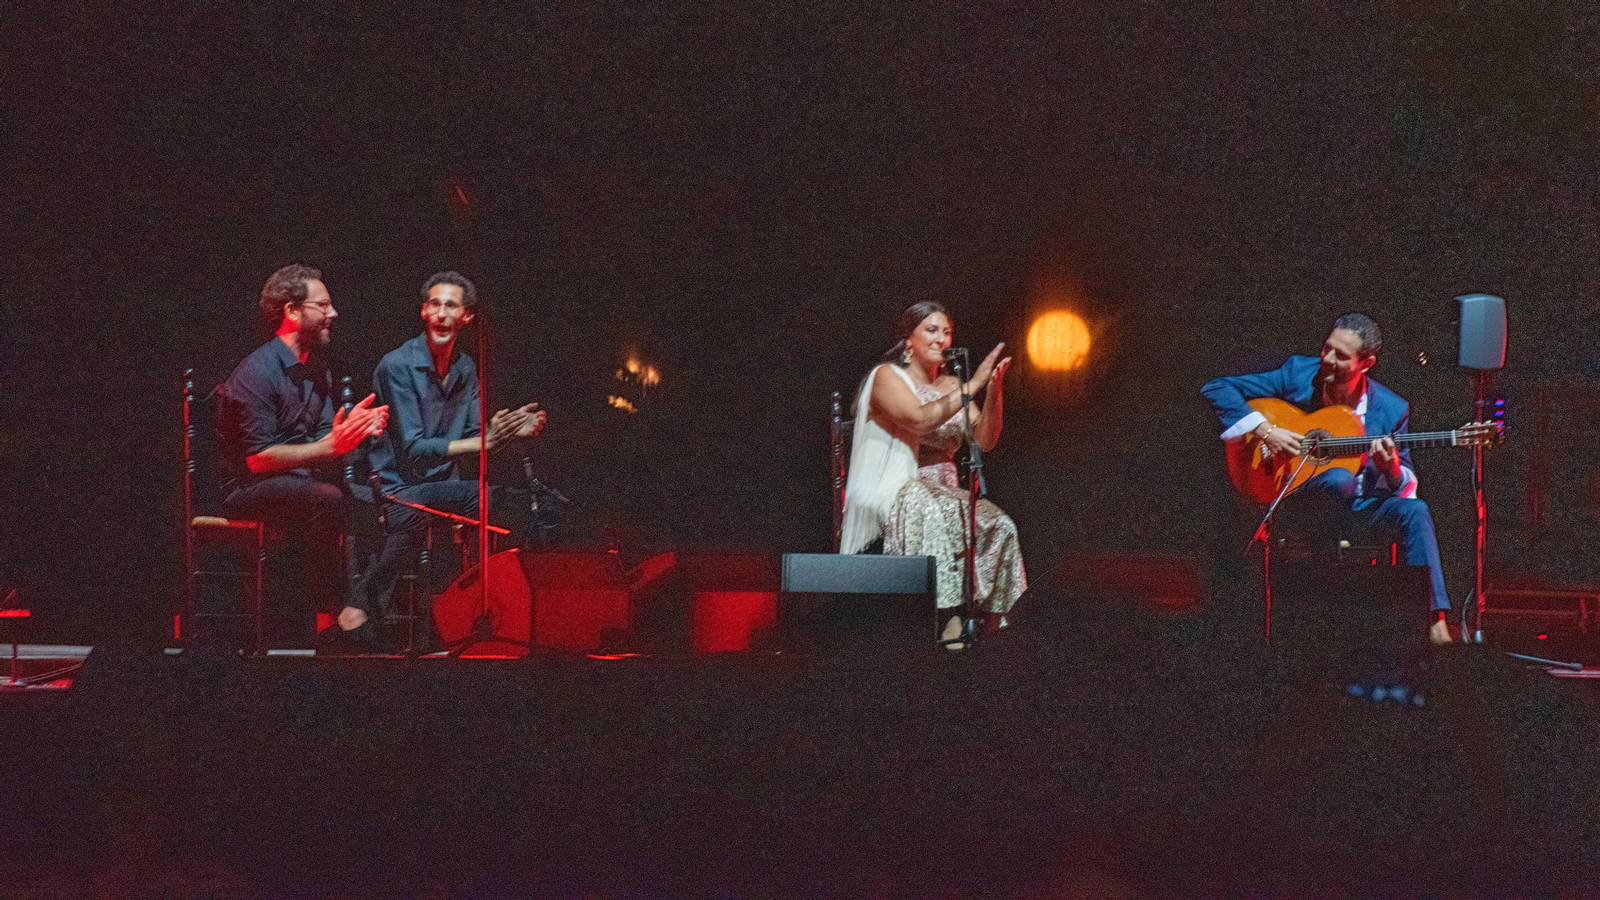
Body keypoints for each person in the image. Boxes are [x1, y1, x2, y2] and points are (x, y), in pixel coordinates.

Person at [1201, 313, 1452, 644]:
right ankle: (1327, 607)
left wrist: (1390, 468)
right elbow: (1217, 388)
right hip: (1302, 502)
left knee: (1416, 511)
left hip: (1362, 509)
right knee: (1336, 479)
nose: (1328, 360)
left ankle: (1434, 622)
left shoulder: (1392, 408)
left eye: (1341, 356)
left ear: (1367, 362)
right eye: (1327, 349)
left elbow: (1402, 483)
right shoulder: (1299, 374)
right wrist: (1266, 430)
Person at [350, 271, 545, 652]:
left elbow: (475, 440)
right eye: (434, 305)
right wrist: (484, 442)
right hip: (395, 485)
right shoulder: (397, 366)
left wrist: (507, 433)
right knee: (416, 512)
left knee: (512, 501)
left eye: (451, 305)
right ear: (423, 311)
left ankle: (486, 611)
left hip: (440, 485)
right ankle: (360, 609)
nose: (441, 313)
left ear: (466, 317)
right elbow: (413, 450)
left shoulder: (466, 368)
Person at [217, 264, 389, 647]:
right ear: (293, 311)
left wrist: (355, 428)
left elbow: (328, 436)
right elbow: (257, 459)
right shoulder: (256, 372)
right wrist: (332, 446)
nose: (333, 314)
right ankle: (330, 617)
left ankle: (360, 615)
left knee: (377, 501)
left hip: (296, 483)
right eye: (323, 305)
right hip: (247, 488)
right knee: (327, 500)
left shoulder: (315, 369)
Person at [839, 301, 1027, 646]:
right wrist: (972, 386)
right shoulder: (887, 377)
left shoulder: (952, 385)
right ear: (908, 340)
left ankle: (997, 626)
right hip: (901, 485)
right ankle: (947, 619)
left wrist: (994, 390)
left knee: (1000, 524)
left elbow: (984, 440)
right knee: (933, 512)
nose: (941, 338)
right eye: (931, 329)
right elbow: (920, 419)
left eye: (947, 331)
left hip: (948, 490)